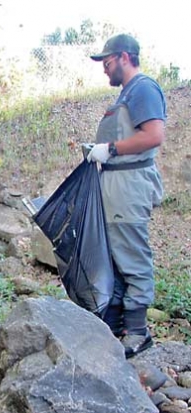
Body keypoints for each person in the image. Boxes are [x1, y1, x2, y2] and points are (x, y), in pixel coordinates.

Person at [87, 34, 166, 358]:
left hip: (129, 184)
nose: (105, 70)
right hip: (114, 184)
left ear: (123, 57)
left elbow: (154, 136)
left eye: (107, 63)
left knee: (131, 256)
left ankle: (137, 331)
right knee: (115, 257)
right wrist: (97, 151)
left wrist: (111, 149)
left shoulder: (143, 88)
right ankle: (116, 325)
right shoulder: (126, 94)